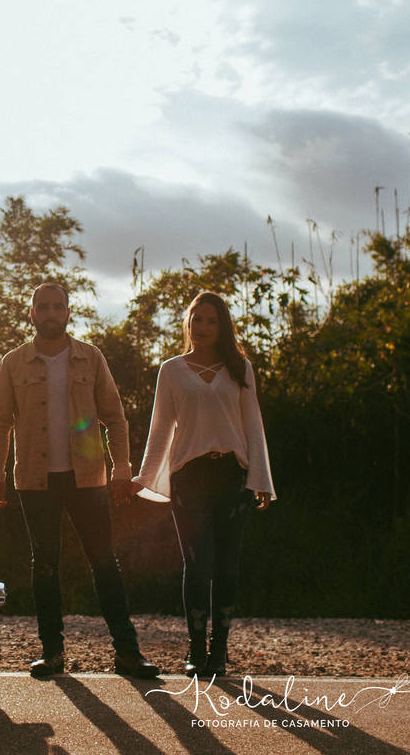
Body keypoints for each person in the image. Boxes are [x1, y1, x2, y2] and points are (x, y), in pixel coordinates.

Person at [0, 281, 159, 679]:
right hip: (35, 479)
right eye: (42, 306)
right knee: (44, 565)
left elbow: (114, 417)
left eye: (57, 306)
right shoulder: (12, 363)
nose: (50, 313)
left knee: (105, 562)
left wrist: (121, 468)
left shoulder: (91, 358)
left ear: (67, 312)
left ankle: (128, 653)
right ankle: (52, 654)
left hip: (89, 478)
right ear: (32, 314)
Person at [133, 291, 274, 679]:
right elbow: (160, 428)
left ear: (222, 325)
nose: (203, 327)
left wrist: (260, 479)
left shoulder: (240, 368)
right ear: (188, 323)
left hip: (233, 477)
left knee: (227, 566)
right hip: (189, 479)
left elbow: (253, 427)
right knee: (198, 566)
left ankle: (220, 652)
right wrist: (144, 479)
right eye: (197, 319)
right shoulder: (172, 370)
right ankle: (196, 649)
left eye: (211, 321)